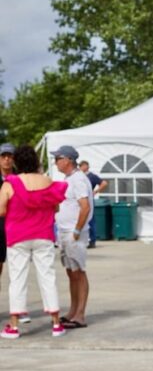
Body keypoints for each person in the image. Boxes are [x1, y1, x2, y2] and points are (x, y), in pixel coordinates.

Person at [0, 145, 68, 339]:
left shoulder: (10, 183)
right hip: (43, 234)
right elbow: (56, 208)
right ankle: (56, 323)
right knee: (47, 276)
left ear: (16, 162)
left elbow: (1, 210)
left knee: (17, 279)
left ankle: (14, 326)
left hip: (17, 236)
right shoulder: (47, 181)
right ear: (36, 162)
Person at [52, 145, 94, 329]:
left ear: (68, 159)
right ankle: (73, 311)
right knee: (71, 273)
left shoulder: (78, 179)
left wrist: (77, 231)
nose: (55, 162)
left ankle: (80, 315)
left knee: (79, 272)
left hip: (73, 233)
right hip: (65, 232)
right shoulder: (70, 179)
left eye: (58, 158)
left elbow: (85, 206)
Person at [78, 160, 108, 248]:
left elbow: (104, 183)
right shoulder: (79, 176)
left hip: (88, 199)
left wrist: (95, 191)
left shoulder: (91, 176)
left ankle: (92, 240)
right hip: (80, 199)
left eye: (82, 166)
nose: (81, 168)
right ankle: (83, 239)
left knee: (90, 219)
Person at [0, 142, 15, 293]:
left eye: (9, 156)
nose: (6, 159)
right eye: (3, 156)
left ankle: (18, 308)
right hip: (0, 226)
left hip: (16, 226)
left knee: (18, 268)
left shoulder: (20, 177)